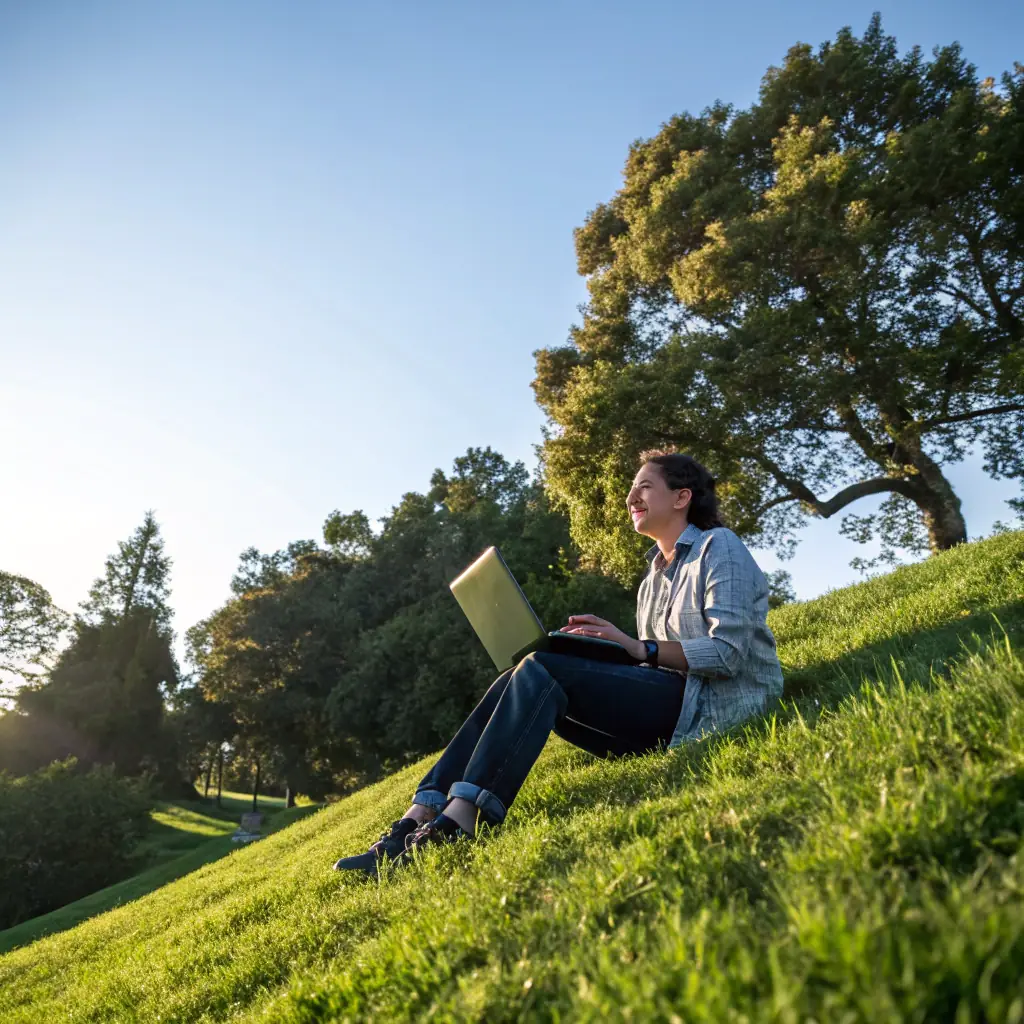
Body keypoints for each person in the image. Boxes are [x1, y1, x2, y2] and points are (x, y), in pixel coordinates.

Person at [333, 449, 784, 877]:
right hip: (661, 710)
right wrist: (599, 652)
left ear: (682, 497)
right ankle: (418, 816)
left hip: (708, 710)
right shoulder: (651, 580)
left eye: (645, 487)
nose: (631, 499)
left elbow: (727, 653)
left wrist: (636, 647)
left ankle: (462, 818)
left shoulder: (718, 546)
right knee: (528, 666)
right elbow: (647, 668)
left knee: (539, 671)